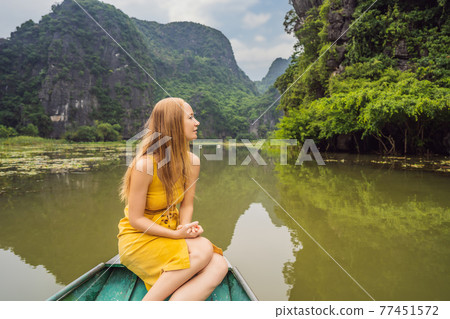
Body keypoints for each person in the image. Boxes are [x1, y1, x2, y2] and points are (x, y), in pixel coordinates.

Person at [117, 97, 228, 301]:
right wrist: (177, 236)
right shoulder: (145, 166)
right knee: (204, 249)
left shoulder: (192, 162)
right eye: (191, 117)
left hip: (170, 232)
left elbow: (187, 204)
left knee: (220, 264)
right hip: (139, 237)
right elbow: (136, 219)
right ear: (173, 124)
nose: (197, 123)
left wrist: (184, 229)